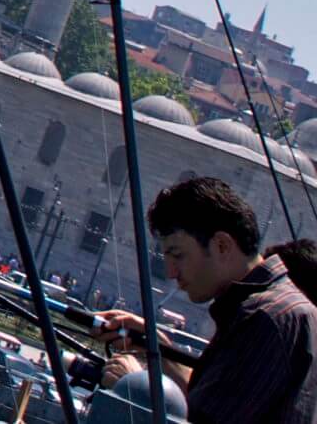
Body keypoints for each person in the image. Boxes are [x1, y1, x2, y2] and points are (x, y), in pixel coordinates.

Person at [97, 177, 317, 424]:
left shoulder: (266, 317)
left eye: (177, 255)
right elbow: (224, 402)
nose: (171, 272)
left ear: (222, 245)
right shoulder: (283, 308)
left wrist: (134, 386)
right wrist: (161, 350)